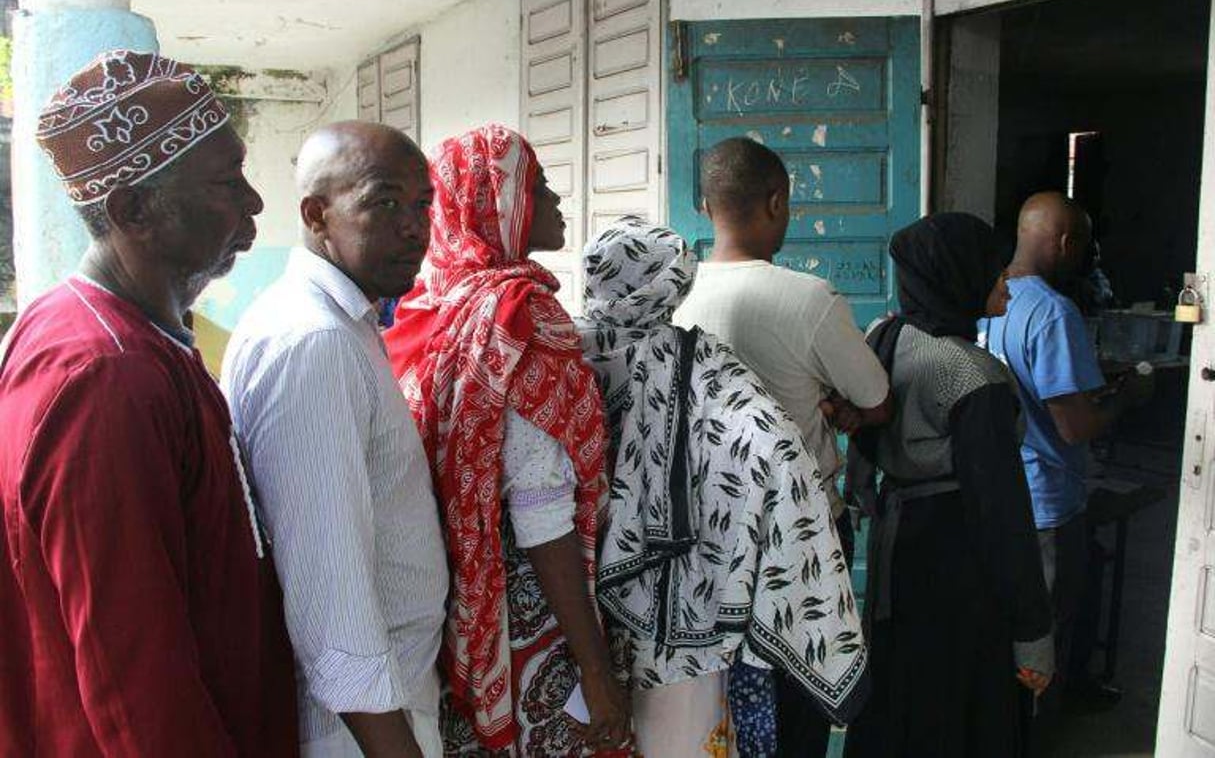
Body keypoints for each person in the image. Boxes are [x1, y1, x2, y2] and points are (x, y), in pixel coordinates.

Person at [0, 50, 298, 756]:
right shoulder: (105, 378)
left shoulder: (118, 335)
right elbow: (133, 673)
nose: (254, 204)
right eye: (228, 183)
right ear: (133, 210)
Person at [576, 217, 869, 757]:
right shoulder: (700, 363)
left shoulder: (560, 352)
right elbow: (777, 453)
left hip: (571, 617)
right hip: (681, 628)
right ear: (673, 282)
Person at [383, 124, 630, 755]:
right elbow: (541, 512)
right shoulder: (517, 316)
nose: (554, 203)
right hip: (533, 615)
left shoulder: (430, 306)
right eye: (539, 188)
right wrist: (596, 672)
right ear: (498, 208)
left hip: (456, 607)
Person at [221, 121, 449, 758]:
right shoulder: (313, 343)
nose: (414, 226)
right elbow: (330, 596)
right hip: (356, 728)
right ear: (317, 215)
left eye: (422, 205)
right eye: (383, 202)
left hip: (385, 705)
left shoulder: (345, 324)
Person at [673, 136, 890, 756]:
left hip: (705, 535)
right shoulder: (808, 299)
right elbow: (876, 400)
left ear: (707, 206)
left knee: (720, 700)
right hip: (801, 540)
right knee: (799, 698)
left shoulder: (674, 295)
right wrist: (842, 408)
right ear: (776, 202)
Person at [843, 212, 1054, 758]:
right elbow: (1003, 517)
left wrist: (861, 490)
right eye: (998, 273)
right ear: (961, 276)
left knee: (900, 679)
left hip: (901, 541)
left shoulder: (887, 334)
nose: (1008, 284)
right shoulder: (971, 374)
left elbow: (865, 433)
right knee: (954, 692)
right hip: (955, 554)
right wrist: (1033, 632)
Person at [978, 192, 1154, 716]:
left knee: (1001, 624)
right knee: (1043, 632)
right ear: (1064, 242)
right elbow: (1073, 426)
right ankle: (1035, 731)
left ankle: (999, 727)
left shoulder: (983, 297)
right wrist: (1127, 399)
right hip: (1046, 503)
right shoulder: (1053, 312)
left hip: (993, 494)